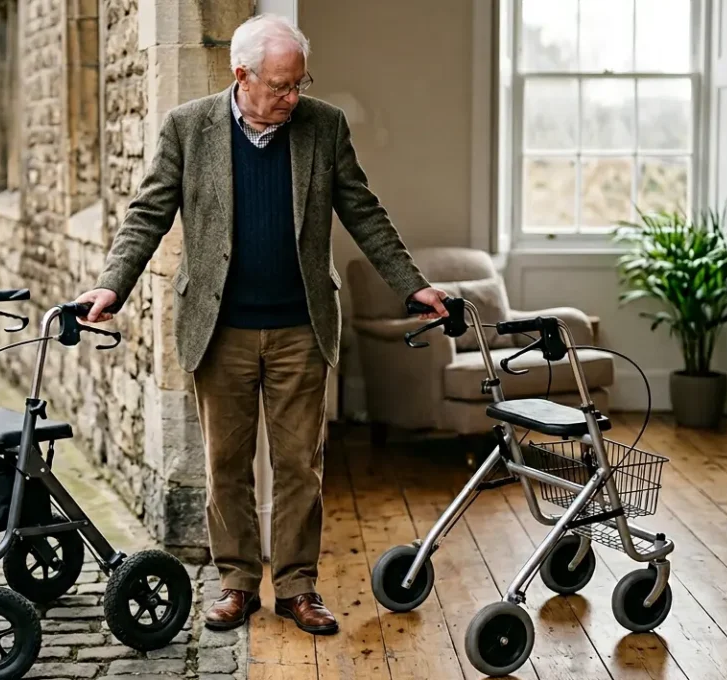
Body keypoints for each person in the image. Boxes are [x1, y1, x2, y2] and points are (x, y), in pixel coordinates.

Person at [75, 13, 448, 635]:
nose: (292, 97)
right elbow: (148, 212)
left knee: (301, 464)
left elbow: (363, 210)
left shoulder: (323, 126)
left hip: (300, 326)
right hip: (220, 329)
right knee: (227, 464)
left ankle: (299, 586)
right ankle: (237, 582)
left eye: (299, 84)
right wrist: (113, 284)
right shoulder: (188, 127)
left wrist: (413, 284)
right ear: (241, 75)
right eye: (280, 86)